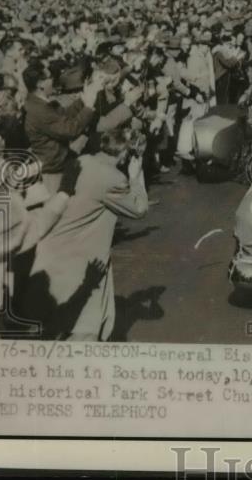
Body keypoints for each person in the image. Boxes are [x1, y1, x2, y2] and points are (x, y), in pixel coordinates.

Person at [25, 125, 148, 341]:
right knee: (84, 331)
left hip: (51, 252)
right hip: (80, 261)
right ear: (124, 153)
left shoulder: (82, 161)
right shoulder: (114, 179)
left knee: (53, 328)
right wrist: (136, 177)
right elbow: (138, 209)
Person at [23, 60, 104, 192]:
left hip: (60, 162)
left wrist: (82, 100)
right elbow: (70, 130)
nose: (53, 79)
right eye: (49, 77)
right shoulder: (39, 110)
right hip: (55, 171)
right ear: (40, 84)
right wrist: (88, 106)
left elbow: (64, 117)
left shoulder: (39, 103)